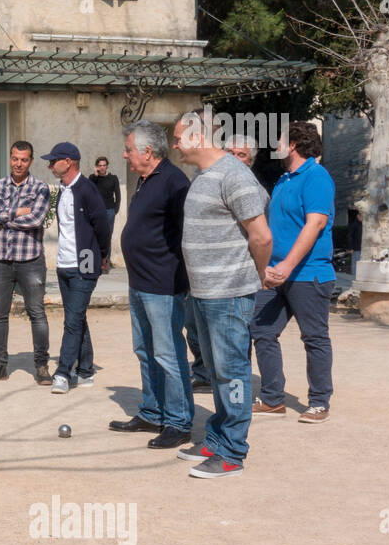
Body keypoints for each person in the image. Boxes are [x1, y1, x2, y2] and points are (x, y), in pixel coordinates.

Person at [174, 108, 272, 479]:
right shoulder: (204, 175)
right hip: (203, 293)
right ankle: (216, 439)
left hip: (229, 293)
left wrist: (261, 275)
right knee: (215, 371)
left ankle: (232, 452)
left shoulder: (234, 175)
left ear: (198, 137)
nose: (175, 144)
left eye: (179, 136)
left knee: (232, 372)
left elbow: (261, 235)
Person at [109, 121, 194, 449]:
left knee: (168, 353)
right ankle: (152, 411)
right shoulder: (145, 180)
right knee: (145, 350)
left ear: (147, 151)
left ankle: (179, 421)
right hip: (139, 282)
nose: (125, 154)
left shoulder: (174, 182)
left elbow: (186, 234)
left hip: (163, 286)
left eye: (129, 149)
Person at [250, 121, 336, 424]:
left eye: (280, 140)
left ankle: (319, 402)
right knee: (261, 331)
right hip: (275, 274)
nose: (276, 145)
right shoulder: (284, 179)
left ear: (295, 144)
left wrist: (287, 265)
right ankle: (273, 398)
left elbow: (315, 224)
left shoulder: (316, 177)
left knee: (314, 337)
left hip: (307, 273)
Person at [0, 140, 52, 385]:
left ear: (30, 161)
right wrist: (16, 212)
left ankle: (41, 366)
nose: (19, 164)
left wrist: (3, 217)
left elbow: (36, 220)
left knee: (37, 313)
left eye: (24, 159)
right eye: (15, 159)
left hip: (31, 260)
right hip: (0, 261)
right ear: (10, 159)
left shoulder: (40, 188)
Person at [42, 142, 111, 393]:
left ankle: (63, 372)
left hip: (84, 262)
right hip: (63, 264)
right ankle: (85, 371)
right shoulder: (62, 190)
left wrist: (102, 255)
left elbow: (103, 226)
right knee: (77, 318)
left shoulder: (87, 190)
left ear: (68, 162)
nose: (49, 165)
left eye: (53, 161)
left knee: (71, 320)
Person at [90, 155, 122, 229]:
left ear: (107, 166)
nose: (102, 167)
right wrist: (95, 176)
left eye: (104, 165)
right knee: (96, 233)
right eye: (100, 165)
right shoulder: (92, 178)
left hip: (109, 210)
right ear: (97, 166)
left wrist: (115, 210)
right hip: (96, 210)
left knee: (108, 234)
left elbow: (118, 195)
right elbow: (90, 192)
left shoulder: (113, 178)